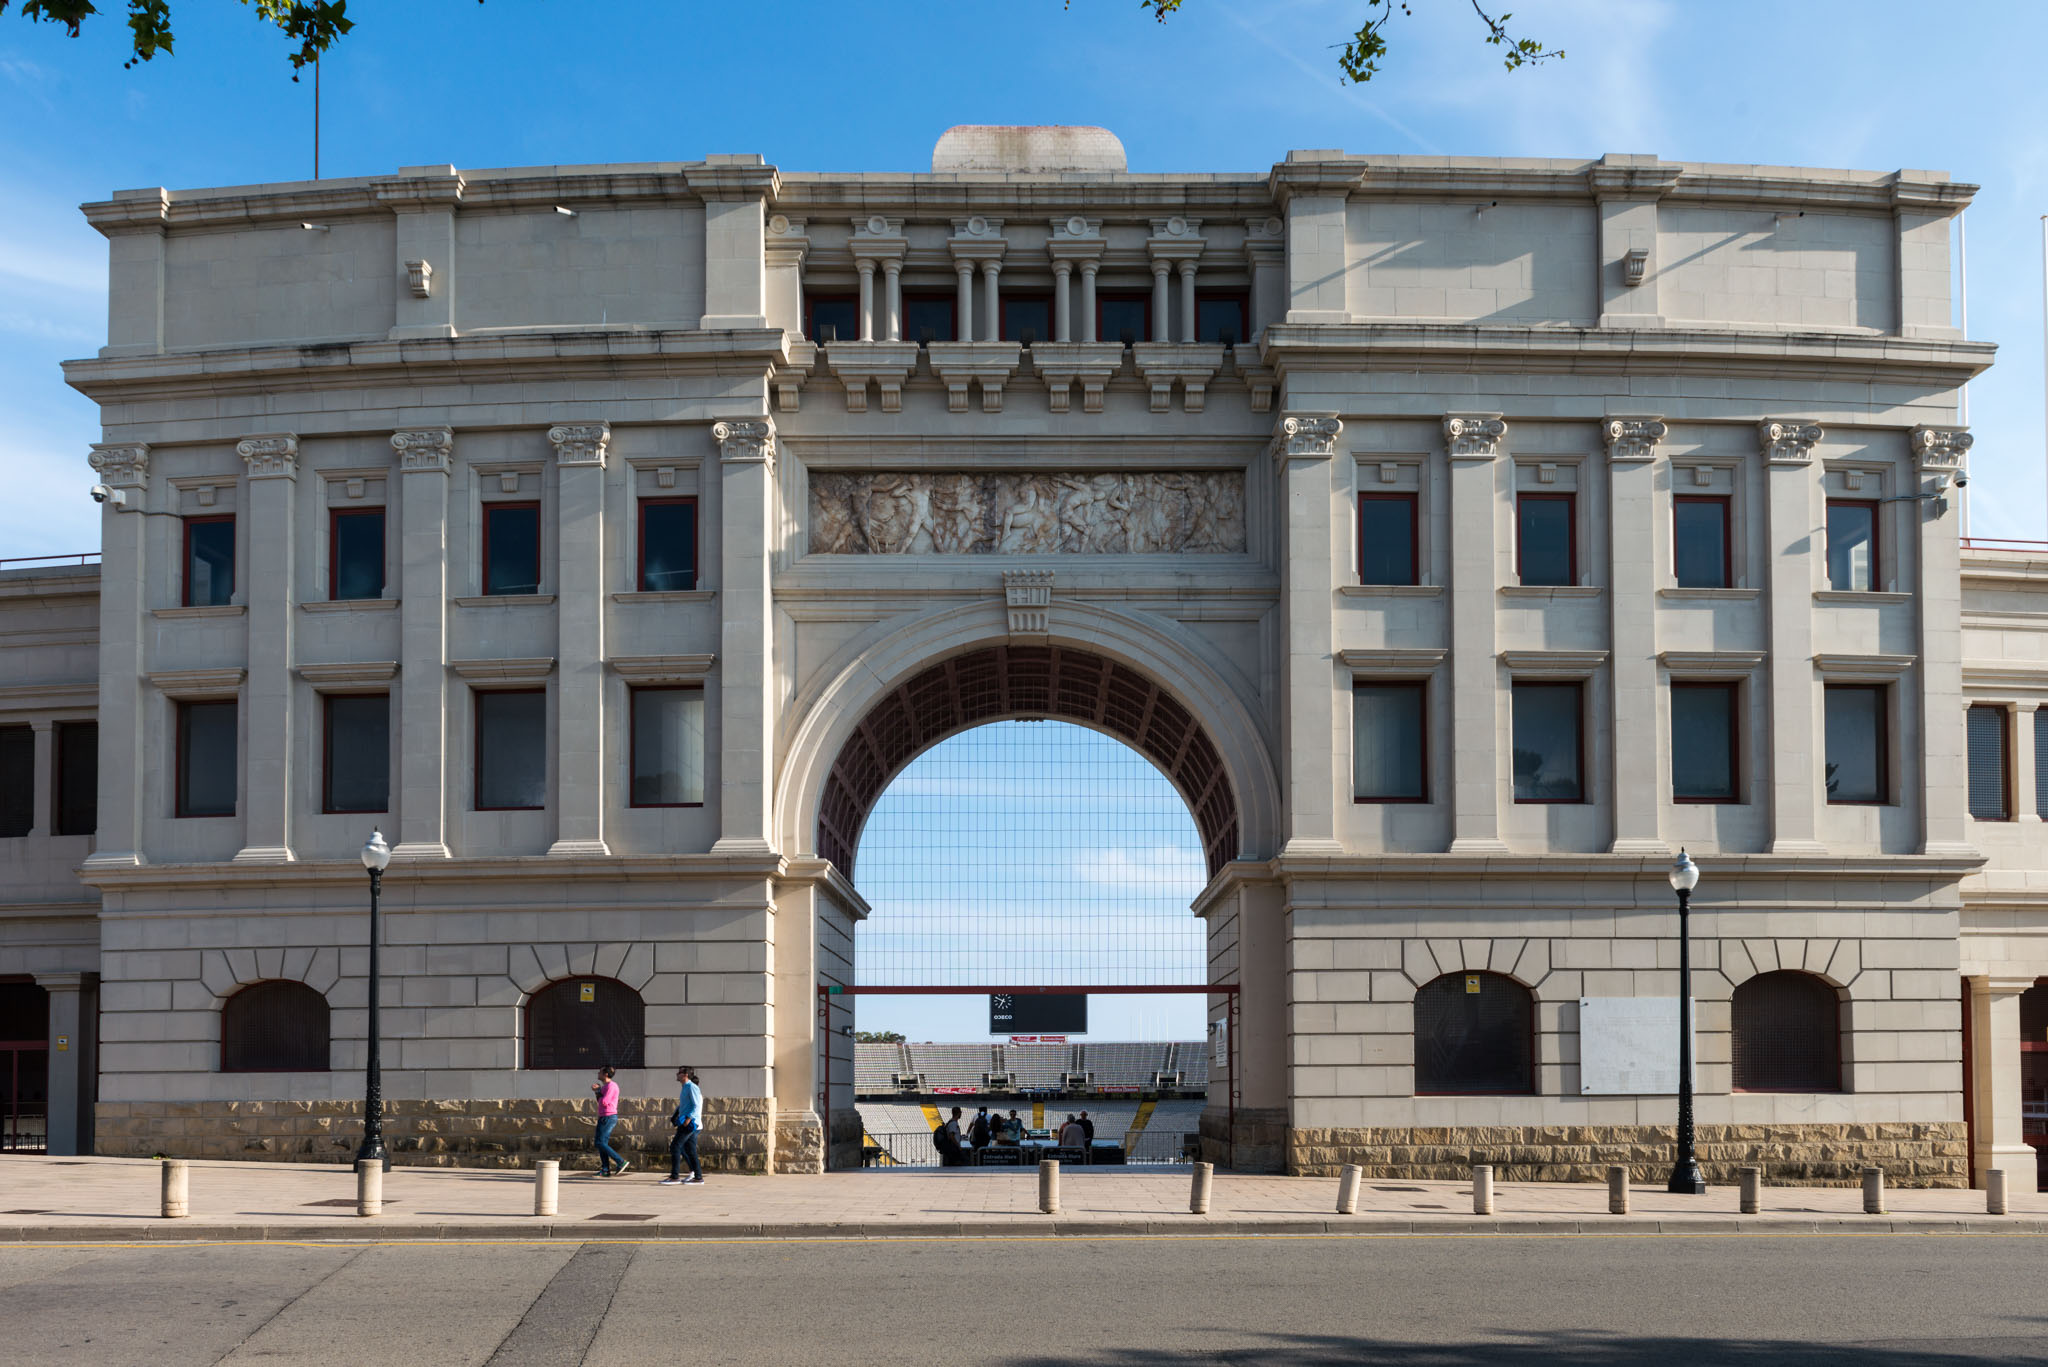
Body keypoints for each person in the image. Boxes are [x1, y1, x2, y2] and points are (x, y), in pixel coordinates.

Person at [659, 1066, 705, 1186]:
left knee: (675, 1146)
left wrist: (688, 1119)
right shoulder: (685, 1087)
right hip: (684, 1122)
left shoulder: (691, 1087)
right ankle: (698, 1177)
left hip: (688, 1123)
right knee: (690, 1150)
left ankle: (675, 1177)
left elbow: (697, 1104)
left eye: (679, 1072)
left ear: (685, 1075)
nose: (677, 1074)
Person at [590, 1065, 628, 1177]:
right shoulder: (605, 1087)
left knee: (599, 1142)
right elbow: (600, 1101)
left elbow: (604, 1102)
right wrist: (598, 1091)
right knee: (602, 1143)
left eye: (600, 1071)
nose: (598, 1073)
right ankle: (605, 1169)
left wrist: (597, 1091)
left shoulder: (612, 1086)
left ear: (606, 1074)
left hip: (609, 1117)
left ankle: (620, 1161)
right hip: (604, 1116)